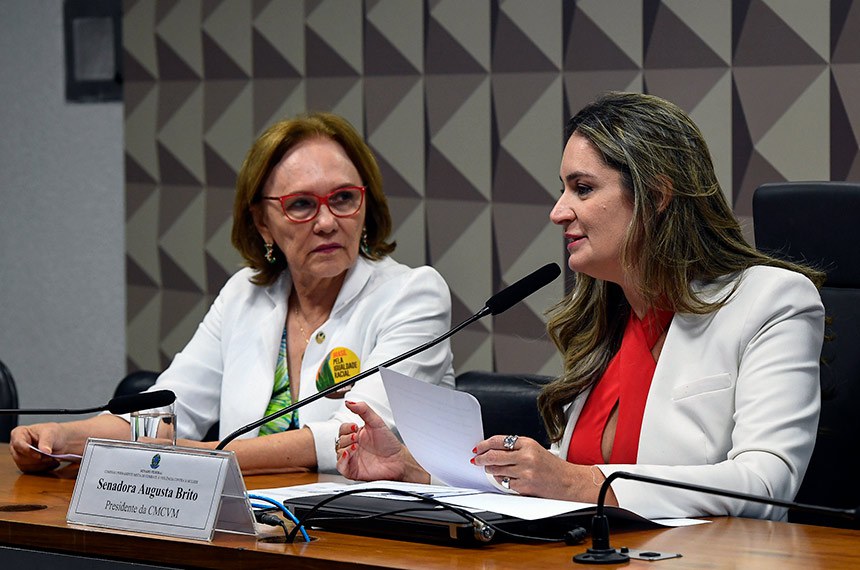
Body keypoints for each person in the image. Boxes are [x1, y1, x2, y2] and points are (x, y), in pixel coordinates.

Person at [335, 92, 825, 521]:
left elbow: (765, 485)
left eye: (583, 188)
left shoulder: (771, 300)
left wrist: (574, 482)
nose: (558, 211)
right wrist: (412, 468)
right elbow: (553, 478)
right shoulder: (608, 318)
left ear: (655, 194)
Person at [10, 112, 455, 475]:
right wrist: (65, 438)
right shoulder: (244, 294)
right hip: (244, 529)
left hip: (367, 535)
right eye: (301, 205)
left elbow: (352, 436)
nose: (326, 221)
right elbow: (170, 409)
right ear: (263, 223)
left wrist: (203, 458)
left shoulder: (413, 295)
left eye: (342, 198)